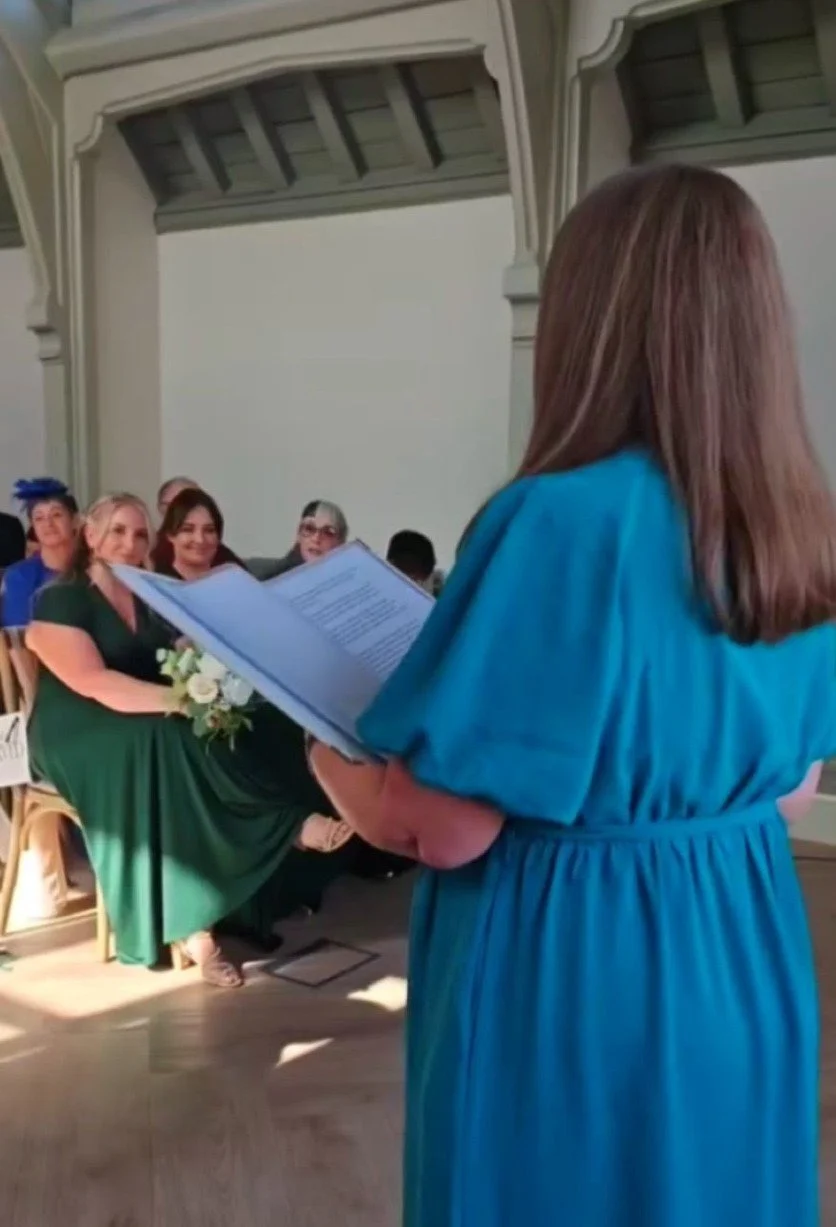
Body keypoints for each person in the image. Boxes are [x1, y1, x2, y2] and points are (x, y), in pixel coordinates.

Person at [308, 164, 836, 1227]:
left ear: (589, 324)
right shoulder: (796, 524)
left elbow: (443, 827)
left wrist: (323, 753)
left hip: (577, 968)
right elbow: (791, 789)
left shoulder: (557, 519)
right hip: (737, 946)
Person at [26, 493, 353, 987]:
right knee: (172, 734)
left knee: (257, 719)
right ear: (90, 536)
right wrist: (182, 702)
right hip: (76, 730)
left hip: (140, 716)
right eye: (117, 531)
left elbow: (178, 653)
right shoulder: (62, 597)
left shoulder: (146, 595)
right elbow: (94, 682)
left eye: (139, 534)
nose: (129, 543)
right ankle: (212, 907)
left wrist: (219, 679)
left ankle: (251, 886)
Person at [2, 479, 78, 628]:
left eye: (56, 515)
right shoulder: (19, 576)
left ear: (75, 520)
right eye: (39, 518)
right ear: (33, 526)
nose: (48, 524)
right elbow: (18, 631)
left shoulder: (94, 570)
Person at [152, 488, 243, 579]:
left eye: (209, 530)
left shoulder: (235, 580)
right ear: (170, 535)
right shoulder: (155, 584)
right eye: (188, 529)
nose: (200, 539)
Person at [258, 500, 348, 580]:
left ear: (341, 542)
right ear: (299, 535)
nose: (316, 539)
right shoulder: (270, 579)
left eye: (327, 532)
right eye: (309, 528)